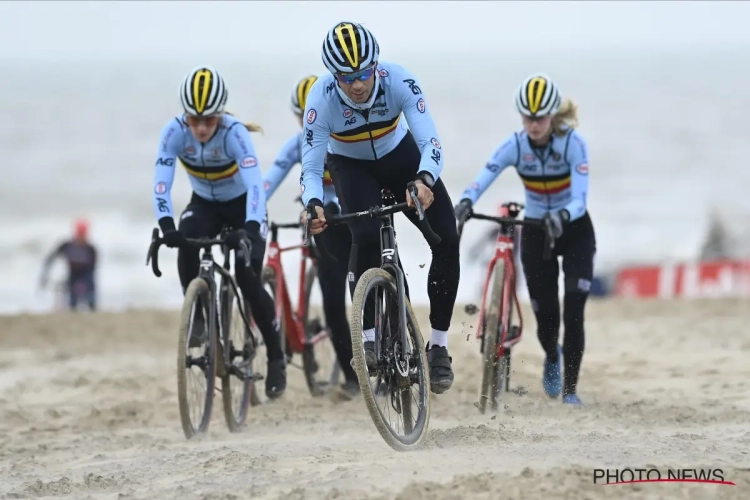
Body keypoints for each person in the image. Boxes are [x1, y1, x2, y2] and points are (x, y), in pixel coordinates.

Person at [300, 21, 459, 394]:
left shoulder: (400, 81)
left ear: (376, 65)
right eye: (346, 77)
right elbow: (310, 166)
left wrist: (425, 179)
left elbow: (431, 142)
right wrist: (313, 204)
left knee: (448, 239)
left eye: (364, 73)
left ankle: (438, 346)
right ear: (333, 76)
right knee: (366, 237)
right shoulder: (320, 100)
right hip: (351, 168)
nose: (357, 84)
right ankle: (368, 340)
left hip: (399, 157)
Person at [454, 73, 596, 406]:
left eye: (541, 118)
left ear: (553, 115)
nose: (534, 124)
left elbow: (580, 199)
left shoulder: (573, 144)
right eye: (528, 118)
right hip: (535, 231)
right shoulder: (515, 146)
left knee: (574, 310)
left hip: (573, 229)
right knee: (546, 318)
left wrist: (562, 216)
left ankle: (571, 391)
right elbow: (483, 177)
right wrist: (465, 202)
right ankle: (551, 355)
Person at [152, 66, 286, 399]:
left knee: (246, 277)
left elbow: (256, 185)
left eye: (208, 120)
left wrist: (251, 228)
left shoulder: (234, 133)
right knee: (186, 242)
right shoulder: (173, 132)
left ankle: (276, 356)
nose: (199, 127)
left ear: (220, 114)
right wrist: (166, 225)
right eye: (193, 119)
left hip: (244, 207)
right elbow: (161, 183)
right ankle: (198, 316)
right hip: (205, 204)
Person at [262, 74, 360, 400]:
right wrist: (251, 211)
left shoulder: (350, 135)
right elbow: (269, 179)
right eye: (302, 118)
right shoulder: (298, 144)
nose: (310, 123)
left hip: (354, 216)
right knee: (333, 305)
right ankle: (351, 377)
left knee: (364, 292)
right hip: (325, 223)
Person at [39, 218, 98, 311]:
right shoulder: (67, 246)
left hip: (87, 277)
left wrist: (85, 285)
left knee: (91, 303)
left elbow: (92, 270)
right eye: (80, 232)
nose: (82, 235)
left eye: (83, 232)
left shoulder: (91, 249)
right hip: (72, 277)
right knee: (72, 305)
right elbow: (51, 258)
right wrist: (44, 275)